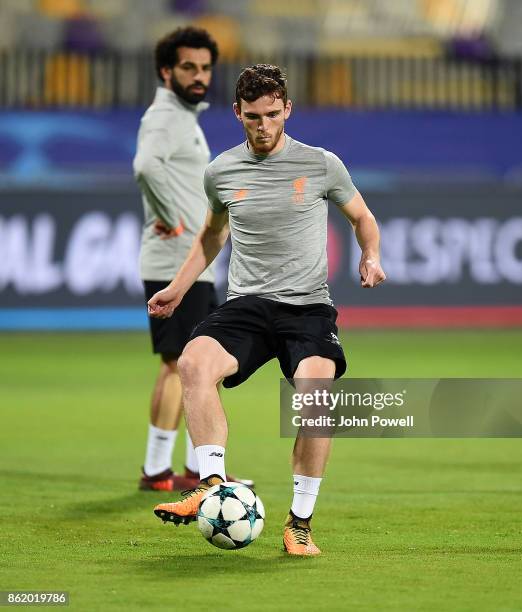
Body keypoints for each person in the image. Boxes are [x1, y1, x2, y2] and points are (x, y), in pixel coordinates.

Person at [147, 64, 385, 555]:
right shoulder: (222, 171)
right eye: (253, 116)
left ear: (287, 110)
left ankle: (299, 523)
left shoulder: (321, 164)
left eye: (272, 115)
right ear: (237, 112)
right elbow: (212, 235)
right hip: (248, 306)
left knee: (315, 397)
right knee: (192, 362)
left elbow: (362, 217)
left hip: (307, 308)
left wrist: (371, 254)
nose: (264, 126)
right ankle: (211, 484)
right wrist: (177, 287)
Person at [133, 26, 253, 492]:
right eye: (189, 67)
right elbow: (145, 165)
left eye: (205, 67)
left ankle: (192, 469)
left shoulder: (181, 116)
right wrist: (170, 217)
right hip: (172, 261)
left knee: (195, 364)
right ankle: (156, 470)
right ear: (167, 71)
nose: (199, 75)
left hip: (189, 264)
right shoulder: (166, 115)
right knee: (175, 363)